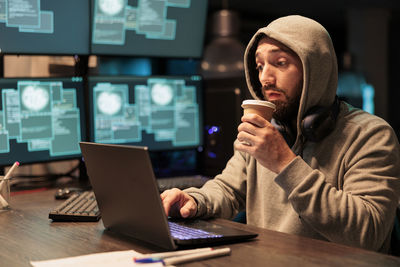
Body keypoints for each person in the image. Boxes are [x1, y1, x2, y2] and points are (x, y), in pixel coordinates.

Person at [161, 15, 400, 253]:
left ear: (315, 69)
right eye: (260, 66)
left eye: (280, 63)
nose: (265, 78)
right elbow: (228, 189)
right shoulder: (265, 130)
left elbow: (367, 233)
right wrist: (194, 200)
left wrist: (284, 163)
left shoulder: (371, 135)